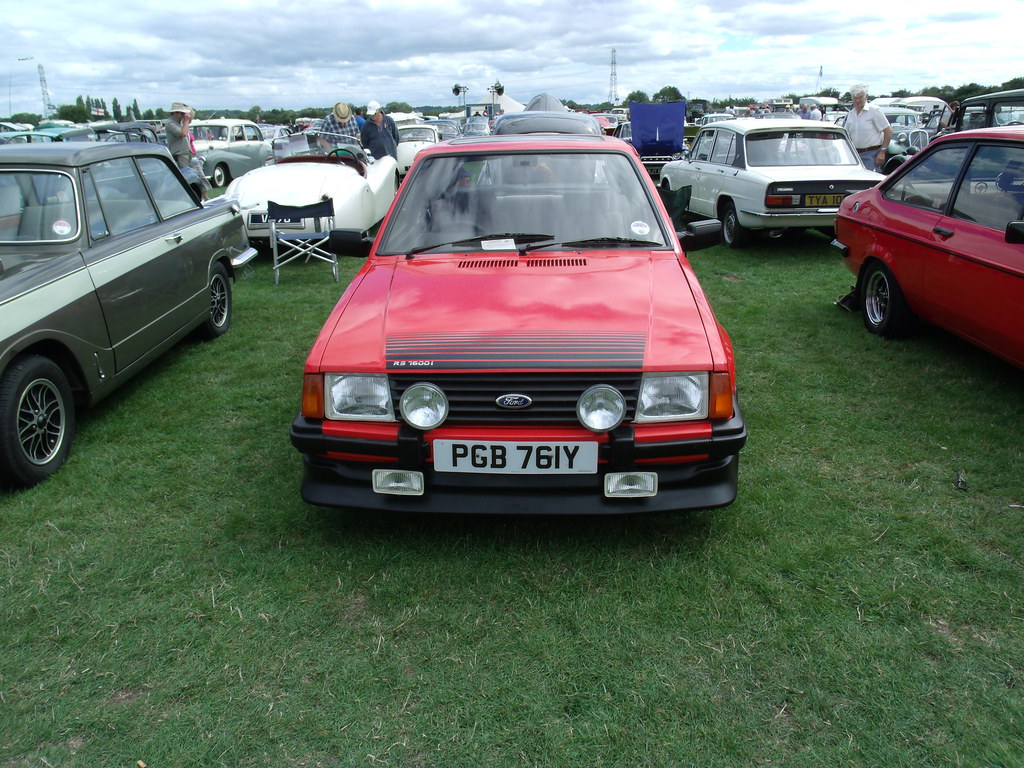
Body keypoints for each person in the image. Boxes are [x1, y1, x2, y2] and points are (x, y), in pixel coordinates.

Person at [845, 85, 892, 171]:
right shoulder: (850, 114)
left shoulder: (874, 111)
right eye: (855, 98)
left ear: (866, 97)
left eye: (860, 97)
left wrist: (882, 152)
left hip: (871, 154)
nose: (857, 100)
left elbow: (888, 131)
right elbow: (846, 135)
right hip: (854, 155)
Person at [164, 102, 206, 196]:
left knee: (199, 176)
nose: (183, 115)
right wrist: (186, 121)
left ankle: (205, 197)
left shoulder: (178, 123)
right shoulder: (170, 123)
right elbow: (183, 133)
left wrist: (187, 119)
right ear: (176, 113)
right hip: (180, 155)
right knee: (187, 178)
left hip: (187, 154)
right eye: (182, 113)